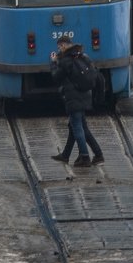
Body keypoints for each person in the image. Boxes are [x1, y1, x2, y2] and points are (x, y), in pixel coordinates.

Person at [50, 35, 102, 167]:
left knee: (77, 126)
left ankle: (84, 157)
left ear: (63, 45)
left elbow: (56, 77)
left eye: (59, 47)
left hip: (73, 97)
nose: (59, 50)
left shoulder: (66, 61)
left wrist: (53, 63)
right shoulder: (82, 56)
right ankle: (96, 154)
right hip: (84, 95)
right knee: (79, 126)